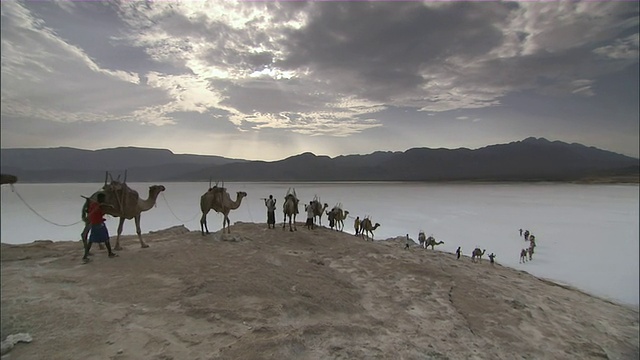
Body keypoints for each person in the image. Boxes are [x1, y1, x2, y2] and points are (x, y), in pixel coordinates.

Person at [82, 193, 117, 263]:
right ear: (100, 199)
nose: (104, 200)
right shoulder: (97, 206)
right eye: (103, 199)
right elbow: (101, 208)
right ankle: (110, 253)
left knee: (92, 241)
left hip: (95, 224)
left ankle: (85, 256)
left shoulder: (94, 205)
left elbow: (90, 211)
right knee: (106, 238)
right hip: (98, 225)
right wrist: (110, 206)